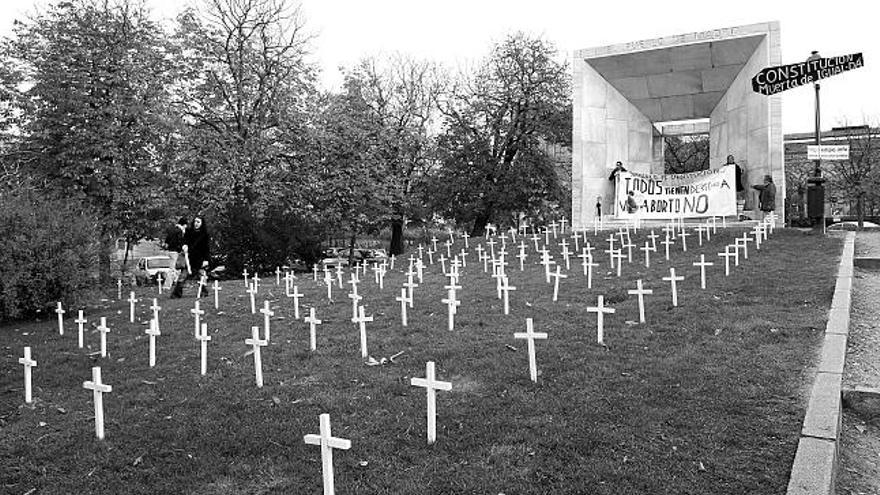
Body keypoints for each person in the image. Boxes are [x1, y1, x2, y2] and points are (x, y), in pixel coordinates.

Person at [164, 217, 188, 298]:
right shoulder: (180, 231)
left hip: (170, 251)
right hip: (175, 251)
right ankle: (167, 285)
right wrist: (182, 248)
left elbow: (166, 241)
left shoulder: (172, 229)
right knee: (173, 269)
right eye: (185, 225)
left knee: (174, 268)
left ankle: (173, 284)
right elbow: (180, 241)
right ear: (184, 224)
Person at [185, 216, 211, 284]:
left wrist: (206, 260)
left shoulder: (204, 234)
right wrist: (184, 246)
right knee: (183, 276)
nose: (196, 223)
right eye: (195, 221)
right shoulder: (189, 232)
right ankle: (176, 293)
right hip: (189, 257)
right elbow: (185, 242)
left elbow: (206, 248)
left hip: (200, 258)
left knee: (202, 275)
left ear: (202, 223)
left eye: (198, 222)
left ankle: (203, 290)